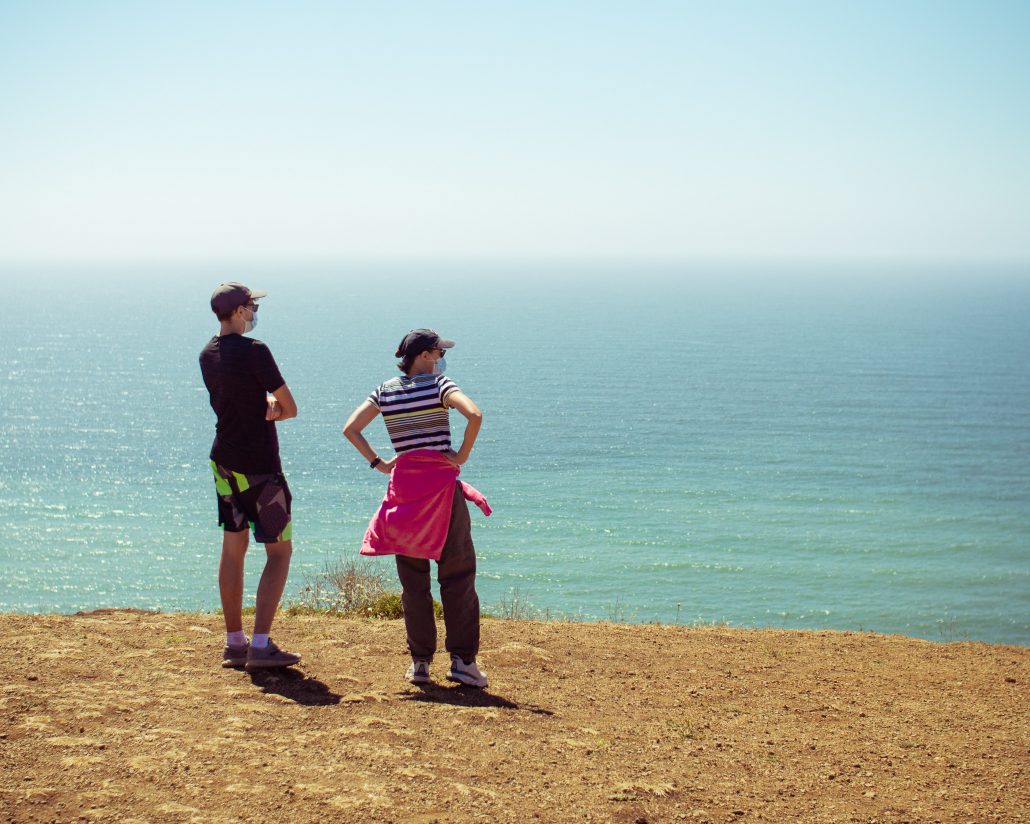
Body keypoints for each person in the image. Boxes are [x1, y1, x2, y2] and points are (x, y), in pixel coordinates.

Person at [343, 329, 489, 687]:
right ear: (424, 355)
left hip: (404, 492)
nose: (441, 358)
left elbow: (351, 428)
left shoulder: (385, 391)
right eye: (438, 352)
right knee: (457, 577)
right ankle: (462, 661)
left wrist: (381, 464)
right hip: (441, 491)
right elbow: (475, 415)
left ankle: (420, 664)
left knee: (414, 584)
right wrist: (461, 456)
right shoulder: (440, 384)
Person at [199, 282, 302, 672]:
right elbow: (289, 408)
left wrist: (263, 405)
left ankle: (234, 642)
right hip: (260, 466)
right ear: (240, 311)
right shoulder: (256, 351)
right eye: (252, 305)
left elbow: (233, 401)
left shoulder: (206, 354)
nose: (255, 311)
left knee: (232, 549)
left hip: (223, 461)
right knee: (278, 552)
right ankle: (261, 645)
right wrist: (272, 407)